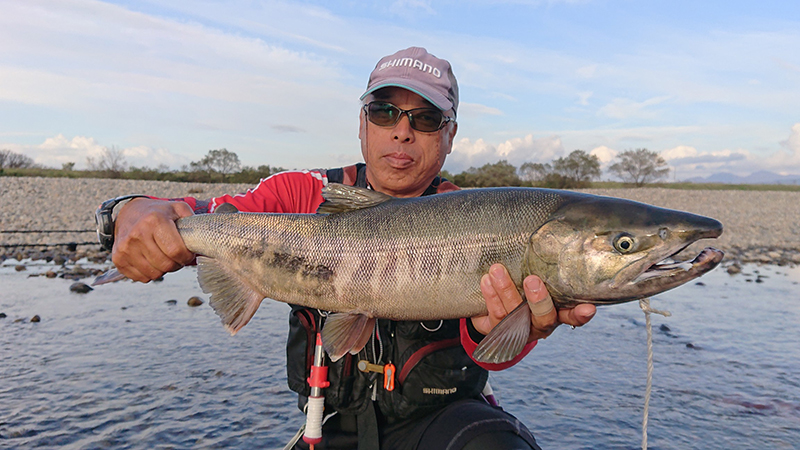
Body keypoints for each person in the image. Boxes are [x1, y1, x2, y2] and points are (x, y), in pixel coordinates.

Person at [104, 47, 596, 449]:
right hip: (329, 421)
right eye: (385, 112)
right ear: (362, 123)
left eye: (425, 119)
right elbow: (196, 213)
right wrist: (130, 209)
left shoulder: (477, 217)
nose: (402, 130)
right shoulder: (301, 195)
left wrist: (514, 330)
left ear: (450, 137)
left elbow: (490, 354)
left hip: (444, 422)